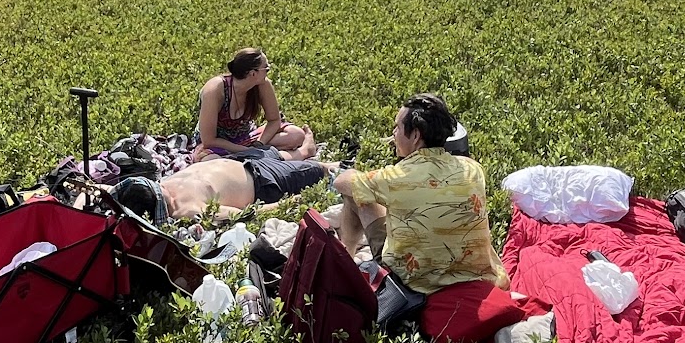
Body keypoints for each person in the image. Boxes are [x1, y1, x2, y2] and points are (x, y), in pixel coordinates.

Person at [331, 93, 504, 291]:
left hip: (413, 284)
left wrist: (353, 174)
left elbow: (340, 182)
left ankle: (346, 260)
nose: (393, 133)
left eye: (397, 127)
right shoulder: (473, 168)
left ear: (415, 136)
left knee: (356, 194)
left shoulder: (396, 177)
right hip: (475, 278)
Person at [117, 152, 336, 225]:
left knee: (281, 154)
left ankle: (304, 149)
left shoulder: (157, 188)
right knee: (322, 170)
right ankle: (341, 167)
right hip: (264, 182)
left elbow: (100, 191)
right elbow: (246, 215)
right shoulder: (189, 209)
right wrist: (287, 204)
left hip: (242, 162)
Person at [192, 48, 316, 161]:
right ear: (252, 73)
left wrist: (259, 144)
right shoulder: (215, 89)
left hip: (247, 138)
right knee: (211, 161)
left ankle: (251, 162)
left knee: (296, 135)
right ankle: (300, 154)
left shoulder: (262, 85)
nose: (268, 72)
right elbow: (209, 140)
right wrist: (248, 151)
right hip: (217, 145)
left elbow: (274, 120)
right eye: (266, 69)